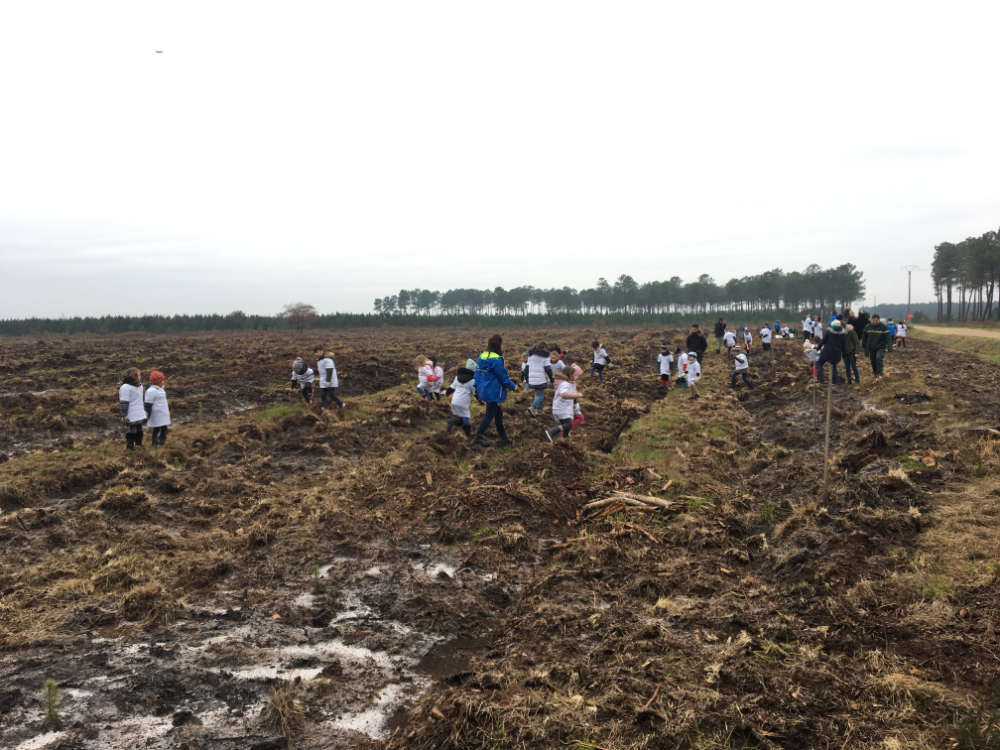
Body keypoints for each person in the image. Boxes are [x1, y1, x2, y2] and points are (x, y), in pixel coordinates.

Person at [473, 334, 517, 448]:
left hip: (483, 390)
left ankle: (504, 438)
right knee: (489, 415)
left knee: (499, 414)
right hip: (493, 392)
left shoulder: (481, 357)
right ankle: (478, 437)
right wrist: (513, 386)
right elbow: (503, 377)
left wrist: (476, 387)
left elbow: (476, 374)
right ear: (500, 345)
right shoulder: (497, 360)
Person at [544, 369, 584, 442]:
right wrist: (577, 395)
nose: (574, 376)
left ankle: (565, 438)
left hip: (563, 407)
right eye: (573, 375)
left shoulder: (569, 383)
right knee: (569, 425)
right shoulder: (565, 384)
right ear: (569, 375)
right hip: (561, 408)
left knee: (566, 426)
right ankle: (551, 432)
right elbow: (563, 394)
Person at [445, 358, 477, 437]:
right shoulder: (472, 381)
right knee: (466, 418)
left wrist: (446, 393)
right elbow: (475, 393)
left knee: (462, 416)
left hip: (454, 401)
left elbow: (451, 388)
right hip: (463, 402)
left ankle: (452, 422)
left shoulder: (457, 377)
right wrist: (481, 401)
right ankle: (467, 433)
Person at [119, 367, 146, 451]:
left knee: (139, 428)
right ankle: (130, 446)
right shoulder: (125, 388)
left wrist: (143, 410)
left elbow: (140, 400)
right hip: (132, 413)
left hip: (139, 412)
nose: (140, 377)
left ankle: (138, 444)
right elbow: (124, 402)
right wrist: (124, 415)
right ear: (134, 376)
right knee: (133, 429)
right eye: (139, 375)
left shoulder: (140, 386)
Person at [525, 341, 554, 416]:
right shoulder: (545, 356)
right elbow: (548, 369)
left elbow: (526, 368)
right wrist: (552, 379)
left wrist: (527, 379)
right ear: (545, 348)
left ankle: (538, 410)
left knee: (539, 394)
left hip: (531, 379)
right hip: (540, 379)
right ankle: (532, 407)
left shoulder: (531, 356)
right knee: (540, 396)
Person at [144, 370, 171, 448]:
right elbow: (148, 404)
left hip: (163, 412)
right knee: (156, 428)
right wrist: (148, 414)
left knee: (164, 427)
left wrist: (168, 406)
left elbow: (162, 400)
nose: (163, 382)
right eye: (162, 380)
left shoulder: (160, 389)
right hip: (156, 414)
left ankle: (162, 440)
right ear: (158, 381)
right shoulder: (151, 391)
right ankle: (154, 443)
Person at [815, 319, 847, 384]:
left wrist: (818, 348)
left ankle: (820, 377)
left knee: (819, 363)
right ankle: (834, 381)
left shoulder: (828, 332)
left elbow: (823, 341)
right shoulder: (842, 334)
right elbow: (844, 345)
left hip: (827, 352)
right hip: (836, 353)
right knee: (834, 366)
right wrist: (844, 355)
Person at [314, 346, 345, 411]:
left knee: (331, 394)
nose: (315, 354)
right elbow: (322, 370)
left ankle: (341, 404)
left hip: (330, 380)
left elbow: (329, 371)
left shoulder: (327, 360)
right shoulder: (319, 360)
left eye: (317, 352)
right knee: (322, 394)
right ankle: (324, 407)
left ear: (322, 351)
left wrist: (328, 381)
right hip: (323, 380)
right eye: (315, 352)